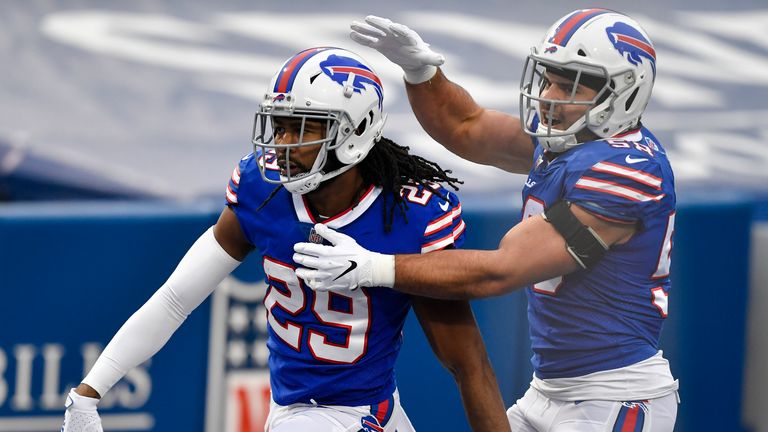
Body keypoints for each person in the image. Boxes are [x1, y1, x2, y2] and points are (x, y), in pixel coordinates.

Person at [61, 47, 511, 432]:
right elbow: (177, 297)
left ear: (354, 133)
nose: (282, 144)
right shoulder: (264, 191)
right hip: (301, 415)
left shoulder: (407, 216)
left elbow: (466, 362)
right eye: (280, 126)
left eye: (304, 128)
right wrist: (90, 389)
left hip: (378, 413)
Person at [293, 10, 680, 432]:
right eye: (549, 78)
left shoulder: (628, 171)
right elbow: (466, 126)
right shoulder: (572, 145)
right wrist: (421, 72)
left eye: (569, 84)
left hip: (614, 395)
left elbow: (499, 272)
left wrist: (374, 266)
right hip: (551, 390)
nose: (549, 95)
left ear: (624, 93)